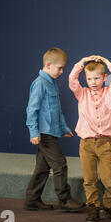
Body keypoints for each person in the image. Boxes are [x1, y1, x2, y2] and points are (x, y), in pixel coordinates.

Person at [25, 47, 85, 212]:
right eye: (59, 68)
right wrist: (34, 132)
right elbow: (32, 110)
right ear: (49, 65)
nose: (61, 71)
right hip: (44, 134)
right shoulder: (39, 84)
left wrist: (64, 128)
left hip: (52, 132)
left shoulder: (52, 83)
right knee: (60, 164)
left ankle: (32, 200)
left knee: (42, 168)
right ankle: (65, 200)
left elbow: (56, 111)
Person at [69, 54, 111, 222]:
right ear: (85, 78)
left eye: (97, 78)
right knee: (90, 178)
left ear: (104, 78)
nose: (93, 82)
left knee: (109, 178)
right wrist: (83, 62)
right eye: (90, 78)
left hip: (105, 143)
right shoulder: (82, 93)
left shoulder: (109, 93)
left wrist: (107, 63)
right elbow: (72, 78)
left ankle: (109, 205)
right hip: (86, 144)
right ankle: (93, 206)